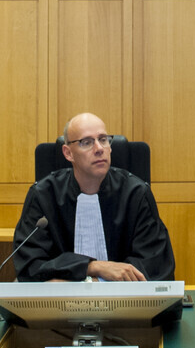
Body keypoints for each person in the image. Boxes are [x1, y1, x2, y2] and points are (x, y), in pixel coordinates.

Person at [12, 113, 176, 282]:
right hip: (60, 299)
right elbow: (29, 265)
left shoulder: (136, 194)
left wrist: (94, 282)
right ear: (68, 153)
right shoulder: (43, 195)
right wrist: (91, 266)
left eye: (103, 140)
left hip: (123, 298)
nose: (99, 148)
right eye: (87, 142)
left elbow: (155, 265)